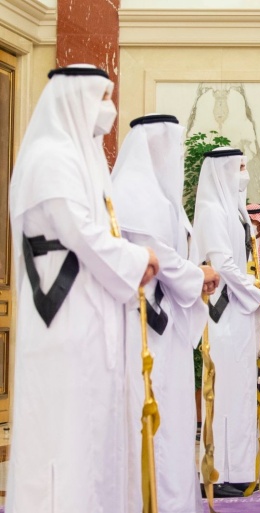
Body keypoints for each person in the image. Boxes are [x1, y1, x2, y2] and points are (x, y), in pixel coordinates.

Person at [6, 64, 159, 513]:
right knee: (65, 435)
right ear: (74, 99)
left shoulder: (84, 157)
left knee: (93, 432)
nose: (109, 109)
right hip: (63, 320)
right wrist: (139, 260)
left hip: (90, 318)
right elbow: (83, 235)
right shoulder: (50, 158)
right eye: (102, 97)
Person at [112, 113, 220, 513]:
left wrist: (198, 277)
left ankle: (173, 501)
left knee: (174, 423)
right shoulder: (132, 192)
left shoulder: (162, 198)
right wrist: (199, 274)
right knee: (154, 420)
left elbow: (176, 259)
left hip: (168, 326)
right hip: (143, 328)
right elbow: (163, 260)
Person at [194, 147, 260, 497]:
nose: (244, 173)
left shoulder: (237, 211)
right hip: (223, 313)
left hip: (243, 313)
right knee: (222, 394)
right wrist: (258, 291)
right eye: (239, 167)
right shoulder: (211, 210)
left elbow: (249, 261)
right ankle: (216, 472)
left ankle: (239, 470)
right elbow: (223, 264)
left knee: (241, 392)